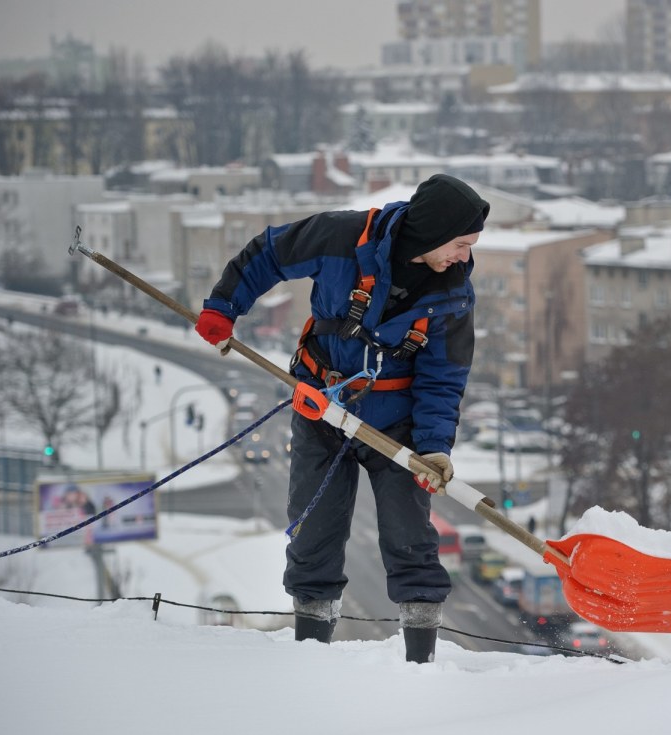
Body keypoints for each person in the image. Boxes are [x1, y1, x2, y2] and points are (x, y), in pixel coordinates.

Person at [194, 174, 489, 663]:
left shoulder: (453, 292)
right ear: (433, 232)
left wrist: (434, 446)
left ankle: (421, 660)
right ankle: (311, 655)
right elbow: (270, 252)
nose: (465, 256)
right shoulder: (342, 237)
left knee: (411, 540)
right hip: (322, 407)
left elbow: (444, 377)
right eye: (460, 244)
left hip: (396, 428)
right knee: (313, 534)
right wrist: (225, 306)